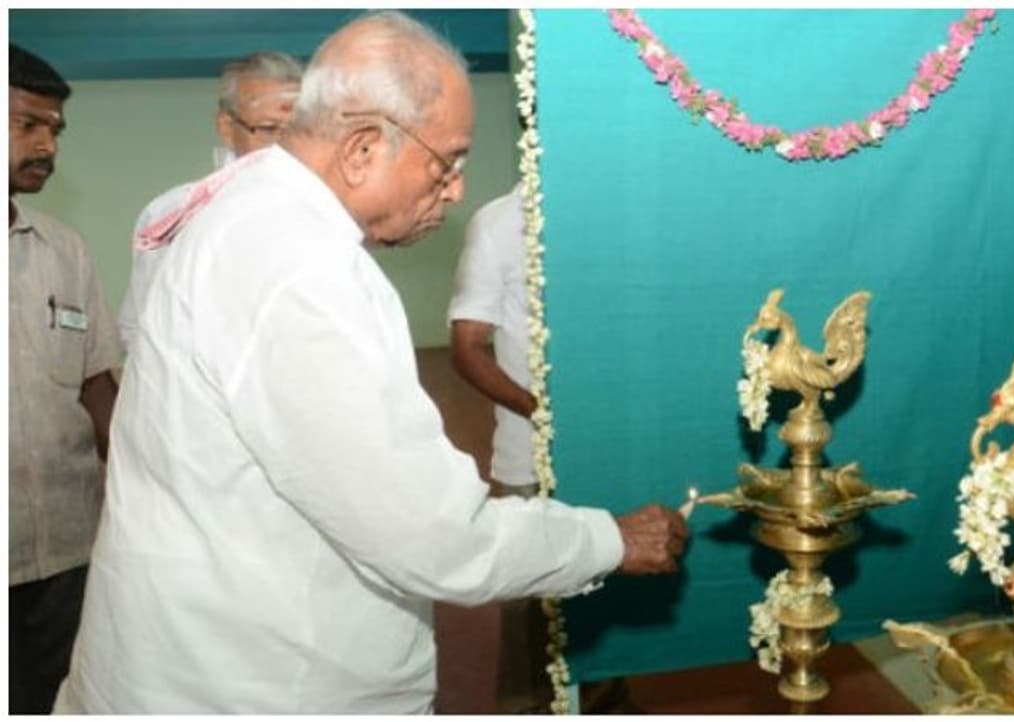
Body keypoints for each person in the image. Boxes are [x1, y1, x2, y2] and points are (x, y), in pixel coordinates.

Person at [55, 11, 688, 714]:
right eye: (447, 162)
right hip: (258, 684)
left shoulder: (243, 209)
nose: (456, 189)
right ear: (361, 149)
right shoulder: (302, 270)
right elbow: (433, 536)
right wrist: (607, 540)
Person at [8, 44, 123, 714]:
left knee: (55, 700)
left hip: (68, 552)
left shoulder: (65, 250)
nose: (48, 145)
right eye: (27, 124)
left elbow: (96, 388)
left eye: (55, 129)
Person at [448, 186, 555, 711]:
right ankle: (524, 704)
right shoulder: (498, 223)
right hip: (527, 454)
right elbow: (467, 348)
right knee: (527, 596)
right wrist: (541, 411)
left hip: (603, 443)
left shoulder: (606, 209)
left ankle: (604, 695)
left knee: (608, 579)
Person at [116, 51, 303, 351]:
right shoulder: (172, 215)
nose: (286, 146)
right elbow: (140, 328)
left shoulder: (332, 215)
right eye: (268, 130)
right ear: (227, 127)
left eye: (298, 131)